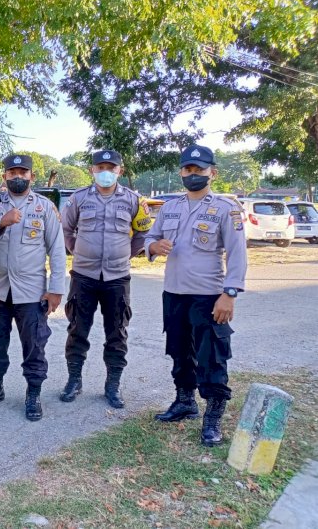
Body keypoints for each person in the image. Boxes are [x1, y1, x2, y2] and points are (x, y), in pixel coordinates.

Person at [145, 144, 247, 446]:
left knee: (212, 357)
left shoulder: (226, 208)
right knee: (179, 351)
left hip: (209, 295)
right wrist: (153, 246)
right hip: (174, 293)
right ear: (181, 172)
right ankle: (184, 401)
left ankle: (213, 418)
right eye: (187, 169)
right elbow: (151, 236)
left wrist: (229, 293)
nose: (193, 175)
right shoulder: (171, 207)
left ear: (211, 173)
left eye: (199, 170)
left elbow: (237, 253)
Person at [0, 154, 65, 421]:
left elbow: (57, 250)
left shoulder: (45, 207)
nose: (18, 177)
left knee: (34, 344)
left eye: (23, 173)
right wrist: (1, 221)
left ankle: (33, 393)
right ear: (5, 177)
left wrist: (56, 289)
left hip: (32, 290)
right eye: (12, 173)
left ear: (32, 177)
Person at [60, 150, 151, 409]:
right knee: (77, 329)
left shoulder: (134, 201)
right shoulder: (78, 198)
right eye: (100, 166)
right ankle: (74, 380)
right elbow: (66, 229)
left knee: (117, 333)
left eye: (111, 167)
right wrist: (75, 248)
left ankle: (112, 385)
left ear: (120, 171)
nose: (106, 171)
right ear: (92, 170)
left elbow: (143, 233)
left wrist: (125, 254)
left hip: (117, 278)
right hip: (84, 276)